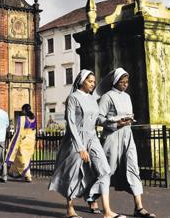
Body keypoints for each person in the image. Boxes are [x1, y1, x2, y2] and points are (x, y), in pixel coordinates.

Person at [48, 69, 124, 218]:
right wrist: (80, 147)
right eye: (90, 81)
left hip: (93, 137)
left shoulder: (92, 99)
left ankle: (107, 211)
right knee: (73, 173)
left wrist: (115, 122)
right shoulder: (73, 98)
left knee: (105, 170)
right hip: (76, 139)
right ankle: (70, 210)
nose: (92, 84)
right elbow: (71, 123)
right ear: (82, 81)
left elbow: (98, 119)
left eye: (94, 82)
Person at [88, 68, 156, 218]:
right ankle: (92, 197)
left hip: (127, 136)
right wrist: (115, 123)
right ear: (115, 82)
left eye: (127, 82)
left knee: (133, 168)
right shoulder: (107, 97)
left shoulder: (127, 97)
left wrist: (128, 120)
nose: (125, 85)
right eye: (122, 82)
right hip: (112, 136)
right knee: (107, 170)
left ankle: (139, 207)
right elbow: (98, 117)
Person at [6, 104, 37, 183]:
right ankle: (12, 171)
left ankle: (27, 175)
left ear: (23, 110)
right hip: (31, 141)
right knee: (23, 158)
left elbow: (19, 131)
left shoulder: (22, 118)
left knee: (22, 158)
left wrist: (14, 141)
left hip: (24, 141)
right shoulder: (34, 118)